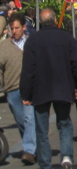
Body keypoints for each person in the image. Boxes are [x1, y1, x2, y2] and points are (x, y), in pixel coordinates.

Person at [20, 7, 77, 169]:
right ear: (55, 19)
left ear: (40, 23)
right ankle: (66, 156)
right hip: (63, 87)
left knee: (42, 130)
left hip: (40, 90)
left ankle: (45, 163)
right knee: (64, 123)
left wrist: (26, 93)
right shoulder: (67, 38)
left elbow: (28, 69)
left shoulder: (33, 40)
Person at [0, 13, 36, 164]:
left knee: (29, 119)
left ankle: (29, 151)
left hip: (30, 88)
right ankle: (35, 148)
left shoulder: (31, 43)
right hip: (12, 88)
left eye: (17, 28)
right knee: (21, 120)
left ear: (24, 28)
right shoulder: (4, 46)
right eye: (12, 28)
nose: (14, 31)